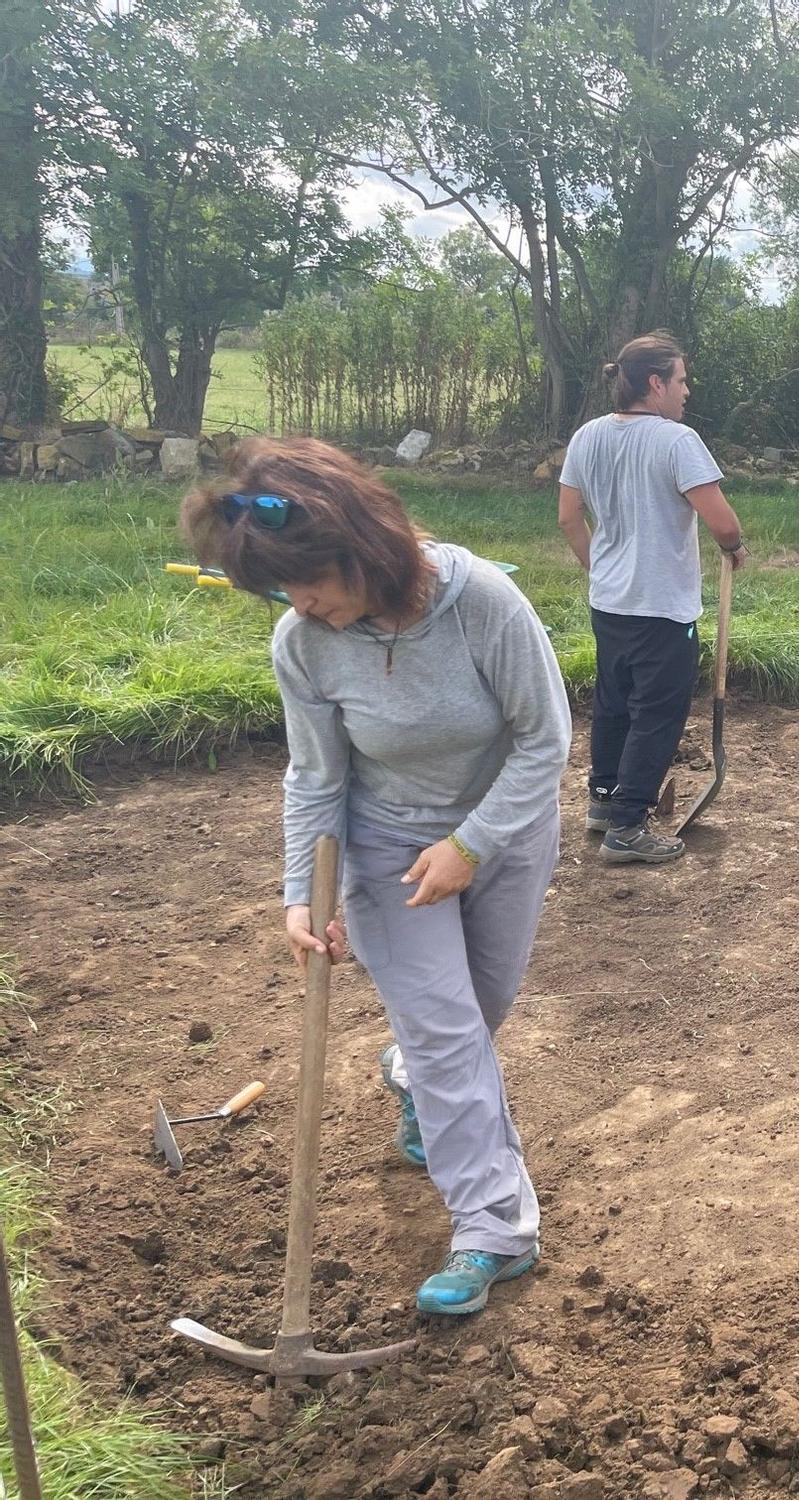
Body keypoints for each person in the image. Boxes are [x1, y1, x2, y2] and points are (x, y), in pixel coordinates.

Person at [182, 438, 569, 1317]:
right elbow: (315, 775)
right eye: (283, 593)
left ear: (361, 545)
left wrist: (469, 846)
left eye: (309, 581)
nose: (301, 604)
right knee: (448, 1035)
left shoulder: (484, 605)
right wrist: (297, 891)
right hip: (385, 846)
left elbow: (546, 741)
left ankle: (410, 1079)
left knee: (475, 1018)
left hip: (503, 832)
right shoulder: (305, 643)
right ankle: (494, 1227)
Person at [559, 332, 747, 863]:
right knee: (656, 714)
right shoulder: (676, 441)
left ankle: (602, 800)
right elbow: (722, 521)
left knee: (614, 705)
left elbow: (569, 518)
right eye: (682, 380)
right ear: (656, 383)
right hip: (662, 606)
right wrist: (733, 547)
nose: (687, 391)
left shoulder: (587, 437)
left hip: (609, 602)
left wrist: (602, 568)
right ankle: (628, 825)